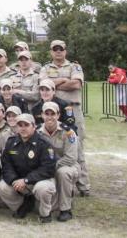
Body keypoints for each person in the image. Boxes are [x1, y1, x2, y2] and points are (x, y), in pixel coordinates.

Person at [40, 40, 89, 195]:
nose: (58, 52)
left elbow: (76, 84)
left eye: (61, 49)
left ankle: (83, 185)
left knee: (77, 146)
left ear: (65, 51)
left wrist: (53, 84)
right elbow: (42, 83)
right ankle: (59, 181)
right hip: (50, 110)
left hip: (72, 109)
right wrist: (63, 80)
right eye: (55, 49)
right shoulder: (45, 67)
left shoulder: (74, 66)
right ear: (51, 51)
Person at [0, 113, 57, 223]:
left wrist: (27, 180)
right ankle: (22, 206)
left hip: (40, 180)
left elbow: (48, 169)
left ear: (34, 127)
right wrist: (14, 180)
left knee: (43, 188)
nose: (23, 128)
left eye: (26, 125)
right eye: (20, 125)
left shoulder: (43, 144)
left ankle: (45, 214)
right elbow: (6, 165)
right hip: (19, 181)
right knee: (2, 187)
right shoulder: (11, 142)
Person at [39, 101, 80, 222]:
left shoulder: (68, 132)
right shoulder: (37, 132)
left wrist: (51, 166)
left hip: (67, 165)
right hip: (45, 166)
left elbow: (71, 157)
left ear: (58, 115)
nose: (50, 117)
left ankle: (65, 209)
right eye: (47, 113)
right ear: (42, 115)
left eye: (53, 113)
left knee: (63, 173)